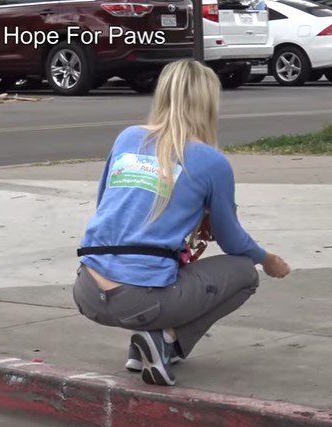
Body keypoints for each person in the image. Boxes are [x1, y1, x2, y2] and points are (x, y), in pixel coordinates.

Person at [72, 59, 290, 387]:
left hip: (87, 289)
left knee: (151, 267)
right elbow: (232, 242)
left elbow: (105, 203)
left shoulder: (127, 138)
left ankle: (144, 346)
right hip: (140, 300)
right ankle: (165, 342)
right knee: (245, 273)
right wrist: (268, 259)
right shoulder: (212, 162)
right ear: (208, 103)